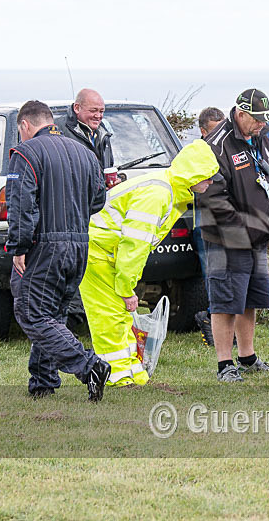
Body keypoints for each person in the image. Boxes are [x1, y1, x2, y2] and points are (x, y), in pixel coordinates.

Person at [79, 140, 221, 387]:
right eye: (207, 177)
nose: (210, 182)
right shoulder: (159, 194)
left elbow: (133, 247)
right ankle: (117, 377)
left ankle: (133, 374)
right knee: (109, 318)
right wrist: (126, 290)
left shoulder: (170, 191)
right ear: (192, 174)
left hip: (105, 252)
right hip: (97, 252)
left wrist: (126, 287)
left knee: (121, 317)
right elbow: (134, 247)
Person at [5, 100, 110, 402]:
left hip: (44, 246)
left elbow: (21, 204)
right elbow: (98, 201)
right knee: (53, 314)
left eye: (20, 130)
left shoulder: (26, 153)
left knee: (32, 313)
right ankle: (43, 381)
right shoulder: (86, 154)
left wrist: (19, 247)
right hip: (79, 245)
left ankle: (89, 366)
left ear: (25, 125)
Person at [196, 89, 269, 382]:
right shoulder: (217, 145)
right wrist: (243, 231)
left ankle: (247, 357)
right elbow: (213, 198)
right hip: (227, 238)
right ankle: (225, 365)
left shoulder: (260, 136)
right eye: (257, 120)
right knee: (226, 300)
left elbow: (267, 179)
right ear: (240, 114)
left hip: (256, 236)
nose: (262, 125)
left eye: (264, 120)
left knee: (250, 298)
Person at [192, 107, 226, 348]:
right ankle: (212, 321)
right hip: (205, 220)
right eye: (214, 131)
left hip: (228, 221)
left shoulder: (227, 150)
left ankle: (218, 319)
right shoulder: (196, 154)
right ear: (203, 132)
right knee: (212, 274)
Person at [55, 88, 114, 170]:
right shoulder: (58, 130)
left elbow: (107, 167)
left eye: (101, 111)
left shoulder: (103, 133)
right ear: (77, 108)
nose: (98, 116)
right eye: (93, 111)